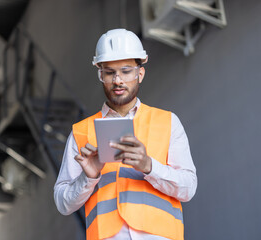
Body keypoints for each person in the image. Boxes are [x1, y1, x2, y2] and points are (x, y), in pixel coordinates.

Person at [54, 29, 197, 240]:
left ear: (140, 73)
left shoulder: (167, 122)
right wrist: (88, 177)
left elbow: (188, 188)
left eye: (126, 71)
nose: (118, 80)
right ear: (100, 75)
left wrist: (149, 166)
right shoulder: (81, 132)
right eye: (110, 72)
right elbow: (62, 204)